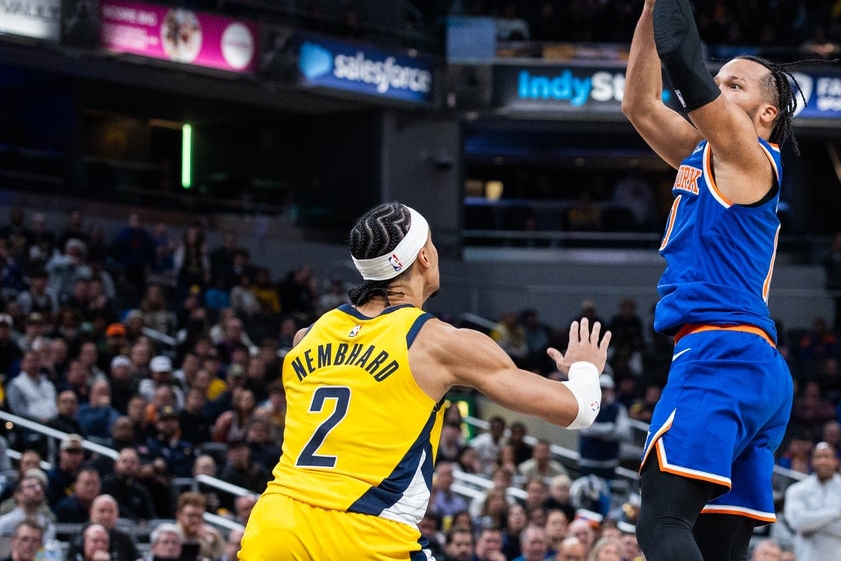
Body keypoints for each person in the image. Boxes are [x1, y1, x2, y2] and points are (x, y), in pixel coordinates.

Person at [239, 202, 611, 560]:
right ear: (424, 257)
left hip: (276, 525)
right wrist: (585, 368)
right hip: (366, 530)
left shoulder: (307, 336)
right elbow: (579, 409)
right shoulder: (438, 342)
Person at [623, 0, 798, 561]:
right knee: (715, 546)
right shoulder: (705, 156)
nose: (717, 91)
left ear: (765, 114)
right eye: (720, 82)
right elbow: (640, 105)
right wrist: (650, 7)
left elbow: (683, 63)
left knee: (660, 523)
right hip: (751, 363)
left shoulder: (750, 157)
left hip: (720, 353)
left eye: (734, 86)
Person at [783, 442, 841, 561]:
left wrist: (810, 524)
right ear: (812, 461)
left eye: (827, 456)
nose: (823, 461)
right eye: (818, 457)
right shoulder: (797, 490)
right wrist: (835, 513)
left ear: (835, 461)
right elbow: (797, 523)